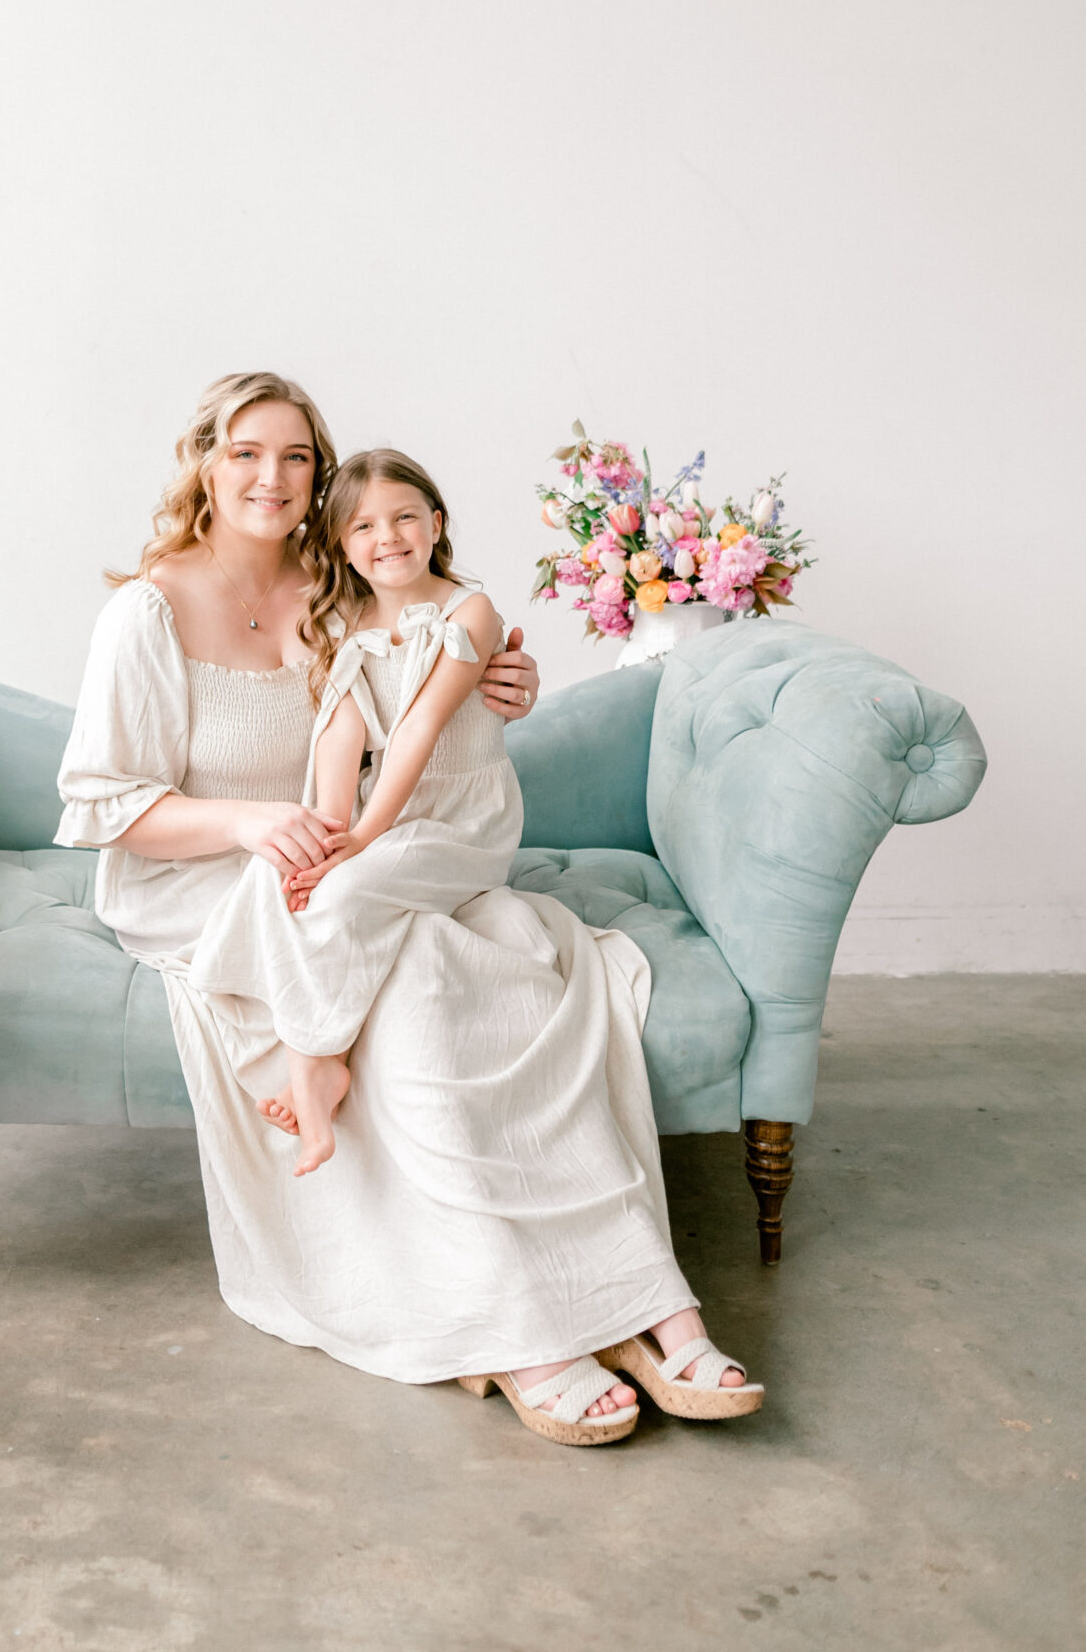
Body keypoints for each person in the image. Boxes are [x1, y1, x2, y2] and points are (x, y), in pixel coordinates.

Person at [56, 371, 763, 1447]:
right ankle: (520, 1324)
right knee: (415, 986)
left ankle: (631, 1299)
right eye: (245, 451)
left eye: (295, 456)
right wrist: (253, 829)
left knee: (468, 971)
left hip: (350, 857)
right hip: (205, 874)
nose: (270, 477)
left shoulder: (343, 580)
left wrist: (500, 687)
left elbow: (424, 694)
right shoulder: (147, 610)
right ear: (204, 460)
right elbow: (105, 806)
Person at [189, 447, 519, 1177]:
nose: (387, 537)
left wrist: (362, 843)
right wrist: (331, 834)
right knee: (279, 879)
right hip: (383, 813)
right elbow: (341, 731)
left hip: (460, 818)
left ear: (435, 523)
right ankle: (301, 1050)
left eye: (404, 517)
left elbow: (417, 725)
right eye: (363, 526)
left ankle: (316, 1064)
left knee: (352, 888)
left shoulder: (469, 610)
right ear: (340, 544)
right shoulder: (348, 621)